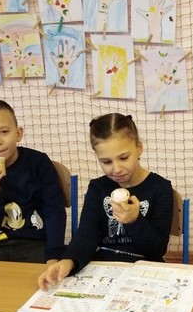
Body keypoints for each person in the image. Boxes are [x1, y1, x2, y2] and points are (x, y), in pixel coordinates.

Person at [38, 113, 173, 289]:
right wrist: (68, 261)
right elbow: (86, 236)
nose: (116, 169)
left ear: (139, 148)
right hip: (103, 268)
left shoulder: (160, 188)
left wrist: (134, 221)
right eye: (106, 162)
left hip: (145, 270)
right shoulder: (98, 188)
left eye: (123, 158)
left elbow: (157, 250)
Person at [0, 98, 66, 264]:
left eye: (4, 132)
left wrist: (54, 254)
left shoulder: (38, 163)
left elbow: (54, 211)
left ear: (18, 133)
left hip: (34, 243)